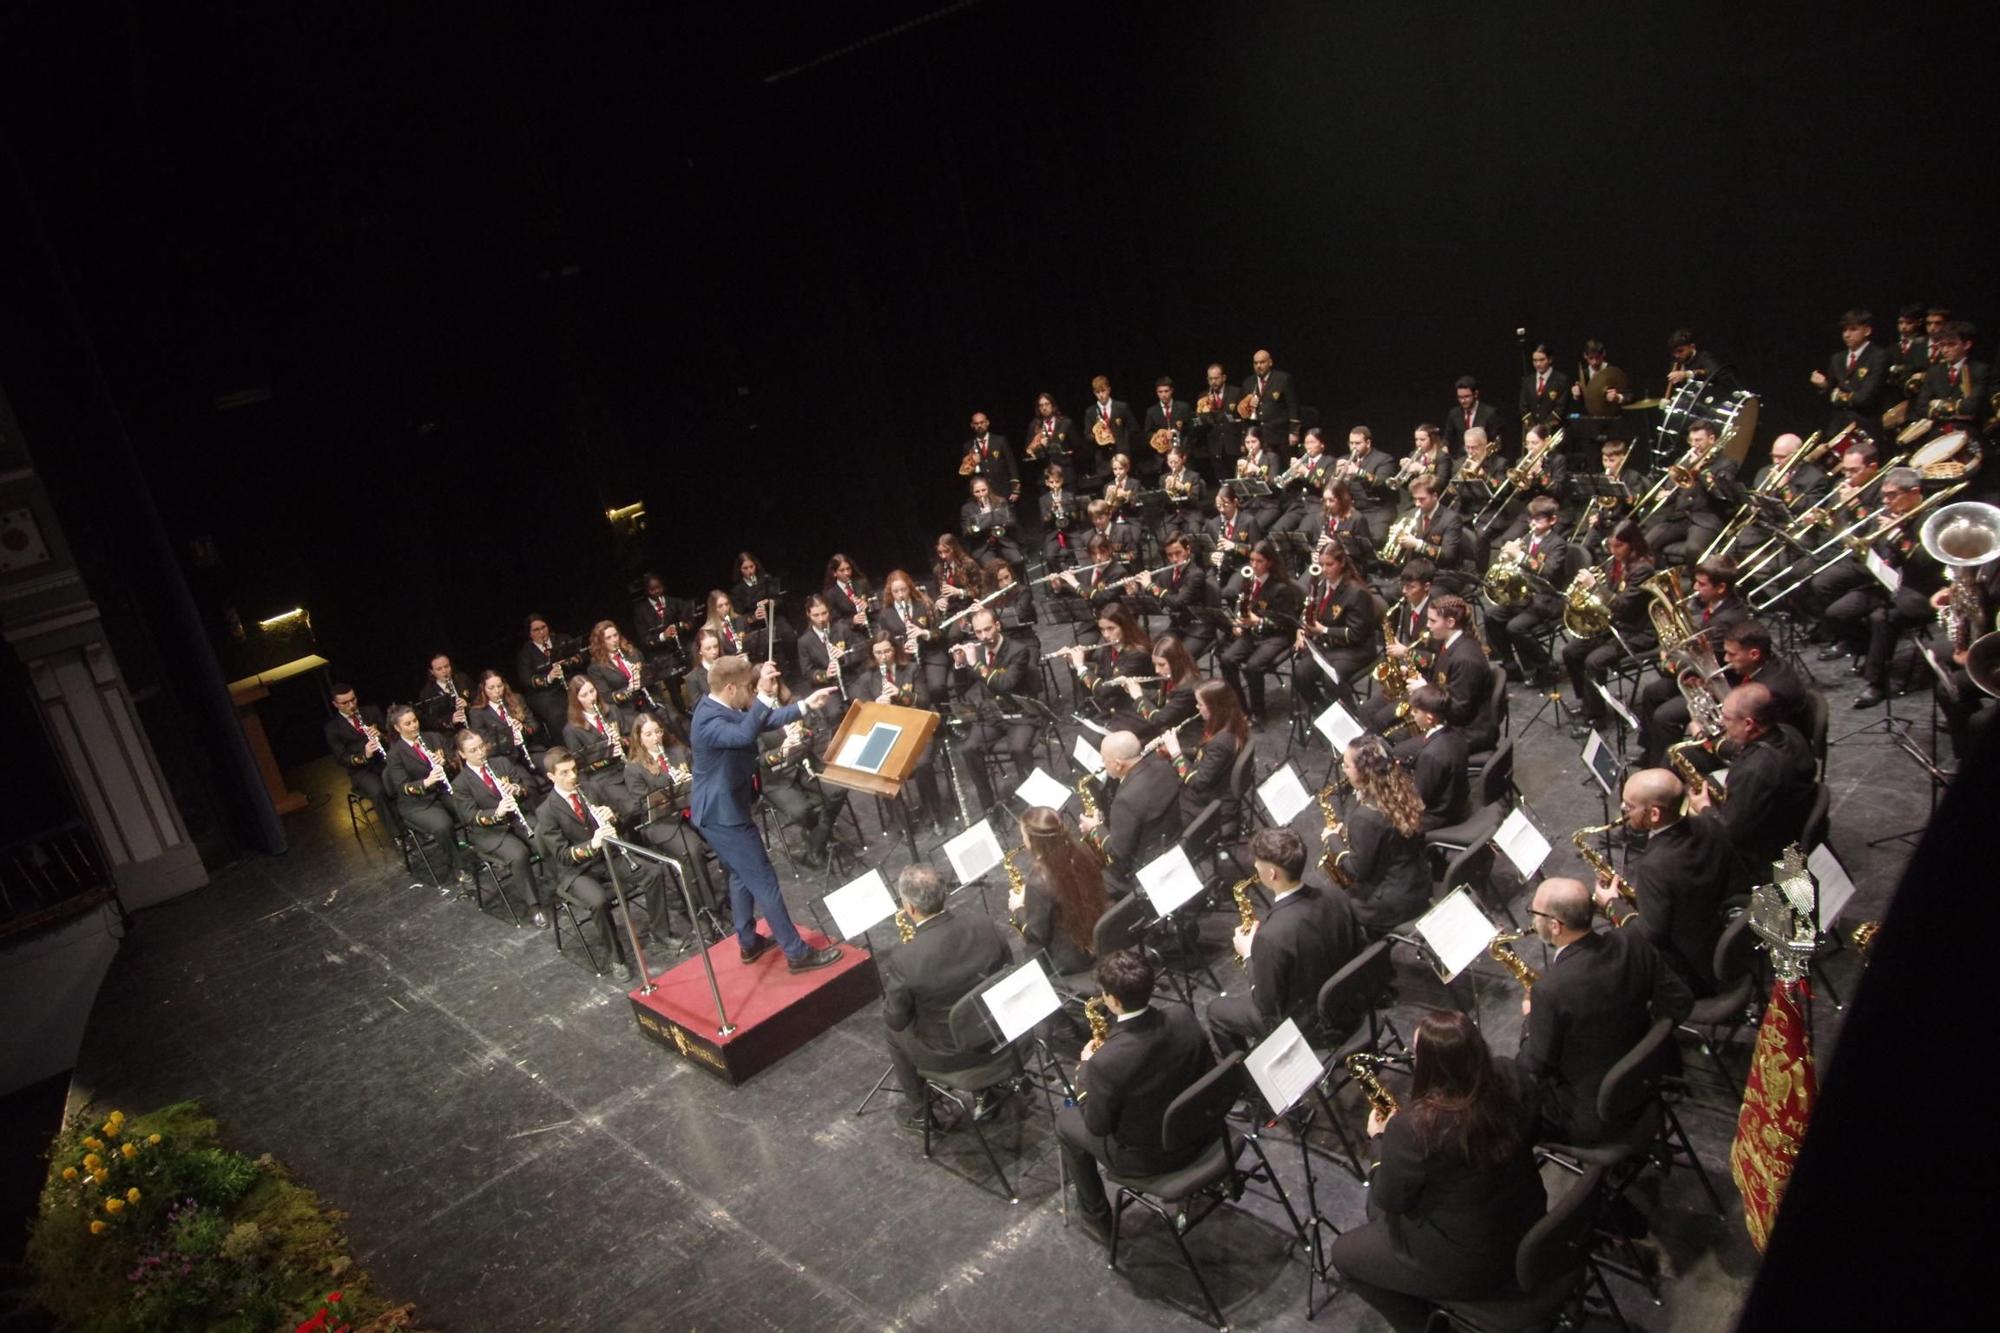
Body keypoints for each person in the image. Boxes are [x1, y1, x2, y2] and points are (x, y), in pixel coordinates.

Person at [1329, 1012, 1546, 1333]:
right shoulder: (1509, 1074)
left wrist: (1380, 1140)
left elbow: (1390, 1198)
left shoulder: (1414, 1129)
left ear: (1431, 1065)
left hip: (1476, 1265)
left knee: (1345, 1252)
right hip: (1533, 1224)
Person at [688, 656, 843, 972]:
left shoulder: (721, 707)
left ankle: (748, 943)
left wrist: (805, 706)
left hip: (723, 808)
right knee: (764, 879)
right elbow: (745, 735)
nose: (749, 692)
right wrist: (761, 693)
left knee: (739, 874)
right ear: (731, 688)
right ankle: (797, 954)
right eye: (746, 687)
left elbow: (759, 721)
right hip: (722, 815)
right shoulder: (709, 722)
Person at [1517, 877, 1692, 1145]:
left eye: (1535, 912)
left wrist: (1530, 1019)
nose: (1532, 918)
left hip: (1598, 1118)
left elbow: (1535, 1067)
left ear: (1555, 926)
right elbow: (1681, 1000)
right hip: (1653, 1078)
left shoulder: (1549, 992)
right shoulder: (1631, 941)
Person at [1057, 948, 1217, 1241]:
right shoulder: (1183, 1015)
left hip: (1152, 1159)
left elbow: (1098, 1126)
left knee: (1066, 1122)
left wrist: (1083, 1073)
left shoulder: (1105, 1063)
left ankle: (1096, 1218)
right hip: (1204, 1130)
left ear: (1114, 1001)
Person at [881, 864, 1017, 1132]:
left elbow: (897, 1020)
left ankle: (922, 1112)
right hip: (1002, 1035)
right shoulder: (985, 924)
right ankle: (987, 1091)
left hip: (956, 1058)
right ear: (944, 893)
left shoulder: (905, 960)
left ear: (909, 908)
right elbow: (1008, 972)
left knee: (891, 1032)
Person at [1205, 826, 1363, 1055]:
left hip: (1311, 1027)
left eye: (1257, 863)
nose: (1255, 867)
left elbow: (1266, 1006)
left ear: (1272, 874)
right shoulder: (1335, 895)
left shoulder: (1270, 937)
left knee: (1215, 1011)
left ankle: (1251, 1085)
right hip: (1350, 1004)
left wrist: (1249, 955)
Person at [1594, 769, 1732, 995]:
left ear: (1655, 814)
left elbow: (1650, 935)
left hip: (1692, 969)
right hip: (1716, 928)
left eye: (1629, 806)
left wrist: (1612, 904)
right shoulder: (1708, 822)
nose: (1623, 810)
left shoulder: (1653, 866)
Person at [536, 746, 667, 984]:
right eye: (564, 773)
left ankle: (661, 932)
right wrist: (592, 844)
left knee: (654, 872)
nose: (572, 777)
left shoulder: (590, 789)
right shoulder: (546, 812)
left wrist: (611, 817)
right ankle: (617, 957)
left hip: (608, 857)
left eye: (573, 770)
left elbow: (619, 816)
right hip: (576, 871)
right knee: (598, 901)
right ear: (551, 777)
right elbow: (562, 855)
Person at [1687, 682, 1817, 878]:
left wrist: (1704, 807)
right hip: (1789, 824)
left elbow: (1729, 834)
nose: (1722, 722)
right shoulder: (1790, 733)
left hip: (1768, 861)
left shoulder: (1752, 772)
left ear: (1749, 724)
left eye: (1727, 718)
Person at [1634, 559, 1747, 766]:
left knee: (1664, 716)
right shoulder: (1713, 607)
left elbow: (1709, 664)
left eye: (1702, 584)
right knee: (1651, 692)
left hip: (1718, 686)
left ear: (1721, 588)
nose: (1694, 588)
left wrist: (1670, 663)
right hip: (1699, 671)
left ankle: (1665, 768)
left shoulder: (1726, 620)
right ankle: (1650, 751)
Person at [1562, 521, 1657, 739]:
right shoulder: (1614, 563)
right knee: (1571, 651)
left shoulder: (1643, 569)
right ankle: (1587, 701)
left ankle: (1596, 718)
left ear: (1632, 545)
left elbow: (1624, 607)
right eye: (1610, 546)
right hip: (1615, 625)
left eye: (1618, 547)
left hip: (1637, 632)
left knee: (1594, 661)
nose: (1613, 552)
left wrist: (1594, 586)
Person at [1327, 735, 1431, 931]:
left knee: (1334, 904)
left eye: (1347, 766)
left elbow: (1357, 870)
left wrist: (1333, 840)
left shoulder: (1366, 817)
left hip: (1393, 904)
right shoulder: (1402, 787)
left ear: (1364, 773)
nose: (1343, 769)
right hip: (1419, 882)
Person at [450, 728, 547, 925]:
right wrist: (496, 813)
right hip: (490, 833)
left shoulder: (501, 763)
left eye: (481, 747)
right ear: (462, 754)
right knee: (518, 855)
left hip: (517, 819)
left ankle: (563, 884)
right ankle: (534, 905)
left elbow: (525, 787)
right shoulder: (460, 784)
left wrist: (516, 790)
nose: (480, 753)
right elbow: (469, 816)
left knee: (543, 836)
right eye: (473, 751)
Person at [952, 608, 1040, 816]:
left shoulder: (1019, 650)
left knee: (1018, 748)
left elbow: (1005, 684)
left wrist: (975, 663)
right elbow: (961, 690)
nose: (984, 636)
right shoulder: (979, 650)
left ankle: (1034, 804)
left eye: (988, 629)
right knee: (969, 748)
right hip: (992, 715)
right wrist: (959, 665)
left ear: (998, 626)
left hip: (1021, 714)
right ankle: (988, 806)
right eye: (978, 632)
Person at [1011, 805, 1111, 977]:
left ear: (1032, 840)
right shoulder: (1083, 850)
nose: (1023, 840)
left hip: (1072, 961)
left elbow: (1037, 935)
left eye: (1023, 835)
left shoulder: (1038, 882)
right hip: (1103, 939)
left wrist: (1018, 909)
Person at [1480, 497, 1567, 686]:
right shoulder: (1527, 538)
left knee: (1515, 627)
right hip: (1524, 596)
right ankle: (1510, 665)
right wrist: (1507, 559)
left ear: (1552, 520)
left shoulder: (1558, 544)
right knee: (1491, 615)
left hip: (1547, 599)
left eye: (1538, 519)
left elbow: (1548, 571)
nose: (1533, 523)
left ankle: (1545, 667)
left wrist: (1518, 556)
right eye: (1531, 519)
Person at [383, 703, 470, 886]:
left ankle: (487, 850)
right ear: (398, 728)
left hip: (441, 792)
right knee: (442, 825)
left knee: (467, 808)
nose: (414, 726)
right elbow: (402, 787)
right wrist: (426, 781)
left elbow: (456, 762)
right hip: (417, 804)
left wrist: (445, 762)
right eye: (407, 724)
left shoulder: (433, 738)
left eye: (414, 721)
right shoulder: (395, 754)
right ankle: (458, 867)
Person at [1218, 539, 1303, 723]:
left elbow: (1287, 622)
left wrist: (1259, 621)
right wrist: (1238, 623)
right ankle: (1241, 708)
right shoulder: (1248, 581)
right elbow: (1242, 608)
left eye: (1259, 561)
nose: (1254, 565)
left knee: (1253, 666)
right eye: (1252, 560)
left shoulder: (1280, 588)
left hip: (1277, 636)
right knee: (1226, 660)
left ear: (1270, 562)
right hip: (1254, 633)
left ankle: (1259, 712)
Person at [1078, 731, 1179, 886]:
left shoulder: (1125, 800)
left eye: (1104, 760)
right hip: (1176, 841)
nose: (1103, 764)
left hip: (1148, 866)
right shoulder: (1164, 766)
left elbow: (1119, 852)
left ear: (1118, 764)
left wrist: (1094, 829)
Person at [1294, 537, 1377, 714]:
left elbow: (1357, 634)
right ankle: (1324, 715)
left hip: (1357, 649)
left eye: (1329, 565)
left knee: (1331, 679)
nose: (1324, 570)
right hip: (1330, 645)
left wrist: (1322, 630)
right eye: (1321, 564)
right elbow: (1310, 612)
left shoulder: (1356, 593)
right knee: (1301, 672)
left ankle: (1353, 723)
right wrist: (1301, 631)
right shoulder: (1320, 584)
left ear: (1341, 564)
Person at [324, 683, 405, 841]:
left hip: (383, 761)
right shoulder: (332, 728)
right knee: (378, 791)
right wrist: (364, 755)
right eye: (345, 703)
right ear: (335, 705)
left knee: (402, 778)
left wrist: (381, 735)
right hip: (361, 771)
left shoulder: (371, 711)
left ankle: (414, 823)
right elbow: (341, 758)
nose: (351, 705)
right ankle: (398, 835)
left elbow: (393, 737)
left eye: (353, 700)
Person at [1162, 678, 1248, 822]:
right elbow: (1204, 754)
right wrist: (1174, 752)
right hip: (1216, 783)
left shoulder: (1222, 741)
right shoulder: (1232, 721)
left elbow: (1198, 783)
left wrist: (1176, 754)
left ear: (1215, 707)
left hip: (1208, 802)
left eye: (1200, 704)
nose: (1197, 707)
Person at [1392, 685, 1470, 832]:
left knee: (1385, 817)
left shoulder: (1432, 755)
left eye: (1415, 711)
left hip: (1438, 817)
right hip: (1454, 800)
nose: (1412, 715)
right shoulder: (1457, 733)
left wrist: (1398, 780)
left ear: (1429, 718)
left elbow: (1418, 799)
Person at [1810, 308, 1892, 437]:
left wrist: (1838, 396)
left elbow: (1865, 398)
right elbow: (1830, 391)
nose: (1847, 335)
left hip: (1865, 428)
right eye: (1844, 330)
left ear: (1867, 331)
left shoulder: (1878, 356)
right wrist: (1824, 385)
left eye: (1853, 329)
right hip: (1838, 428)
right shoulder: (1837, 358)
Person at [516, 614, 579, 738]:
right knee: (556, 713)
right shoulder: (525, 653)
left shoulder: (562, 639)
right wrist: (548, 678)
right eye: (536, 630)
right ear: (530, 634)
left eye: (543, 627)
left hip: (569, 681)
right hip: (546, 693)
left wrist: (568, 662)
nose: (541, 632)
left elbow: (581, 655)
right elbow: (526, 680)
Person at [795, 593, 865, 695]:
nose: (821, 619)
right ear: (808, 614)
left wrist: (844, 656)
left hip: (851, 679)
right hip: (826, 687)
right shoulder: (804, 641)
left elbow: (862, 648)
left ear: (829, 611)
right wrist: (825, 675)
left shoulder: (842, 628)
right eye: (816, 615)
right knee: (834, 711)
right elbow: (807, 672)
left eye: (824, 613)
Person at [1571, 337, 1632, 441]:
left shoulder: (1615, 370)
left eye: (1597, 358)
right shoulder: (1582, 374)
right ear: (1585, 356)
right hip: (1591, 427)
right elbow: (1581, 404)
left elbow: (1631, 396)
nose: (1594, 362)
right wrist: (1575, 395)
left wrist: (1618, 397)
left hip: (1613, 424)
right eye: (1591, 358)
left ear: (1604, 354)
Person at [958, 409, 1021, 504]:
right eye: (976, 423)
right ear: (972, 425)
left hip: (1003, 490)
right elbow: (964, 473)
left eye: (982, 422)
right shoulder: (968, 446)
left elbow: (1011, 465)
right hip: (982, 494)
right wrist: (973, 464)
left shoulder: (1000, 441)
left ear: (987, 423)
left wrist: (1015, 490)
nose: (979, 425)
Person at [1242, 348, 1299, 452]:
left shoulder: (1283, 379)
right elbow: (1243, 413)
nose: (1258, 366)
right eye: (1255, 363)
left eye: (1262, 362)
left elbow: (1293, 406)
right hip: (1259, 437)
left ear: (1270, 362)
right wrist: (1248, 406)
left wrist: (1294, 432)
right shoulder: (1248, 382)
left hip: (1281, 434)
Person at [960, 476, 1023, 569]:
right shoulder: (967, 509)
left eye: (983, 490)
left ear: (988, 489)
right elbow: (965, 533)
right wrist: (976, 527)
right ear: (972, 492)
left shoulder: (1000, 501)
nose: (981, 494)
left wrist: (1000, 520)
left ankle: (1021, 583)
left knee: (1017, 561)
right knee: (991, 568)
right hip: (984, 546)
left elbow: (1013, 522)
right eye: (977, 492)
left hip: (1003, 541)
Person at [1081, 374, 1135, 480]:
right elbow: (1087, 436)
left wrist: (1125, 445)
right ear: (1094, 393)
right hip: (1103, 459)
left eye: (1103, 391)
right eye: (1098, 392)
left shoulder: (1121, 407)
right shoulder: (1090, 412)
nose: (1101, 395)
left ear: (1109, 390)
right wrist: (1097, 432)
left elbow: (1133, 428)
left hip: (1121, 455)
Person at [1140, 376, 1190, 481]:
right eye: (1160, 392)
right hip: (1163, 457)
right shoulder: (1151, 411)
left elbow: (1191, 430)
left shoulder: (1183, 407)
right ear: (1157, 392)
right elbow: (1147, 433)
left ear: (1172, 390)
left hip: (1182, 453)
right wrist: (1159, 436)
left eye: (1166, 391)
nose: (1163, 394)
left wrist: (1176, 433)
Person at [415, 651, 472, 733]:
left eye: (447, 666)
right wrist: (451, 721)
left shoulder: (462, 679)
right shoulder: (427, 693)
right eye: (439, 669)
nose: (444, 671)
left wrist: (468, 705)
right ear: (431, 672)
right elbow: (431, 722)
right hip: (450, 735)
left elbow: (478, 700)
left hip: (472, 726)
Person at [1519, 343, 1570, 434]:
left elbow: (1560, 408)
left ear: (1550, 359)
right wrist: (1533, 429)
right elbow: (1523, 406)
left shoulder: (1561, 380)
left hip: (1553, 431)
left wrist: (1544, 429)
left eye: (1542, 360)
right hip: (1531, 432)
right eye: (1535, 360)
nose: (1538, 364)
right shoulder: (1528, 381)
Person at [1442, 375, 1501, 453]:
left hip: (1484, 458)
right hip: (1461, 458)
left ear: (1475, 394)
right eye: (1460, 397)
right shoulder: (1454, 413)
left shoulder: (1490, 413)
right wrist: (1445, 446)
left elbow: (1496, 440)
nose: (1462, 401)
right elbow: (1447, 437)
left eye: (1466, 397)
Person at [1023, 391, 1077, 476]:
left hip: (1066, 474)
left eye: (1047, 404)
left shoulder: (1065, 423)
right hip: (1045, 476)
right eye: (1041, 406)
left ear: (1053, 405)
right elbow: (1028, 451)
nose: (1044, 408)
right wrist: (1036, 447)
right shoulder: (1034, 426)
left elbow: (1077, 447)